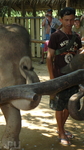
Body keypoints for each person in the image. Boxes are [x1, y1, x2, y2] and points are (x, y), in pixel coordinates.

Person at [46, 7, 82, 146]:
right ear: (60, 20)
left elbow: (78, 55)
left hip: (73, 77)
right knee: (59, 107)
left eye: (72, 19)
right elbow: (49, 58)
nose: (69, 22)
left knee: (69, 105)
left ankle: (61, 128)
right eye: (66, 20)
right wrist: (52, 77)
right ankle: (61, 132)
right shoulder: (55, 36)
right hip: (59, 77)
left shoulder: (76, 37)